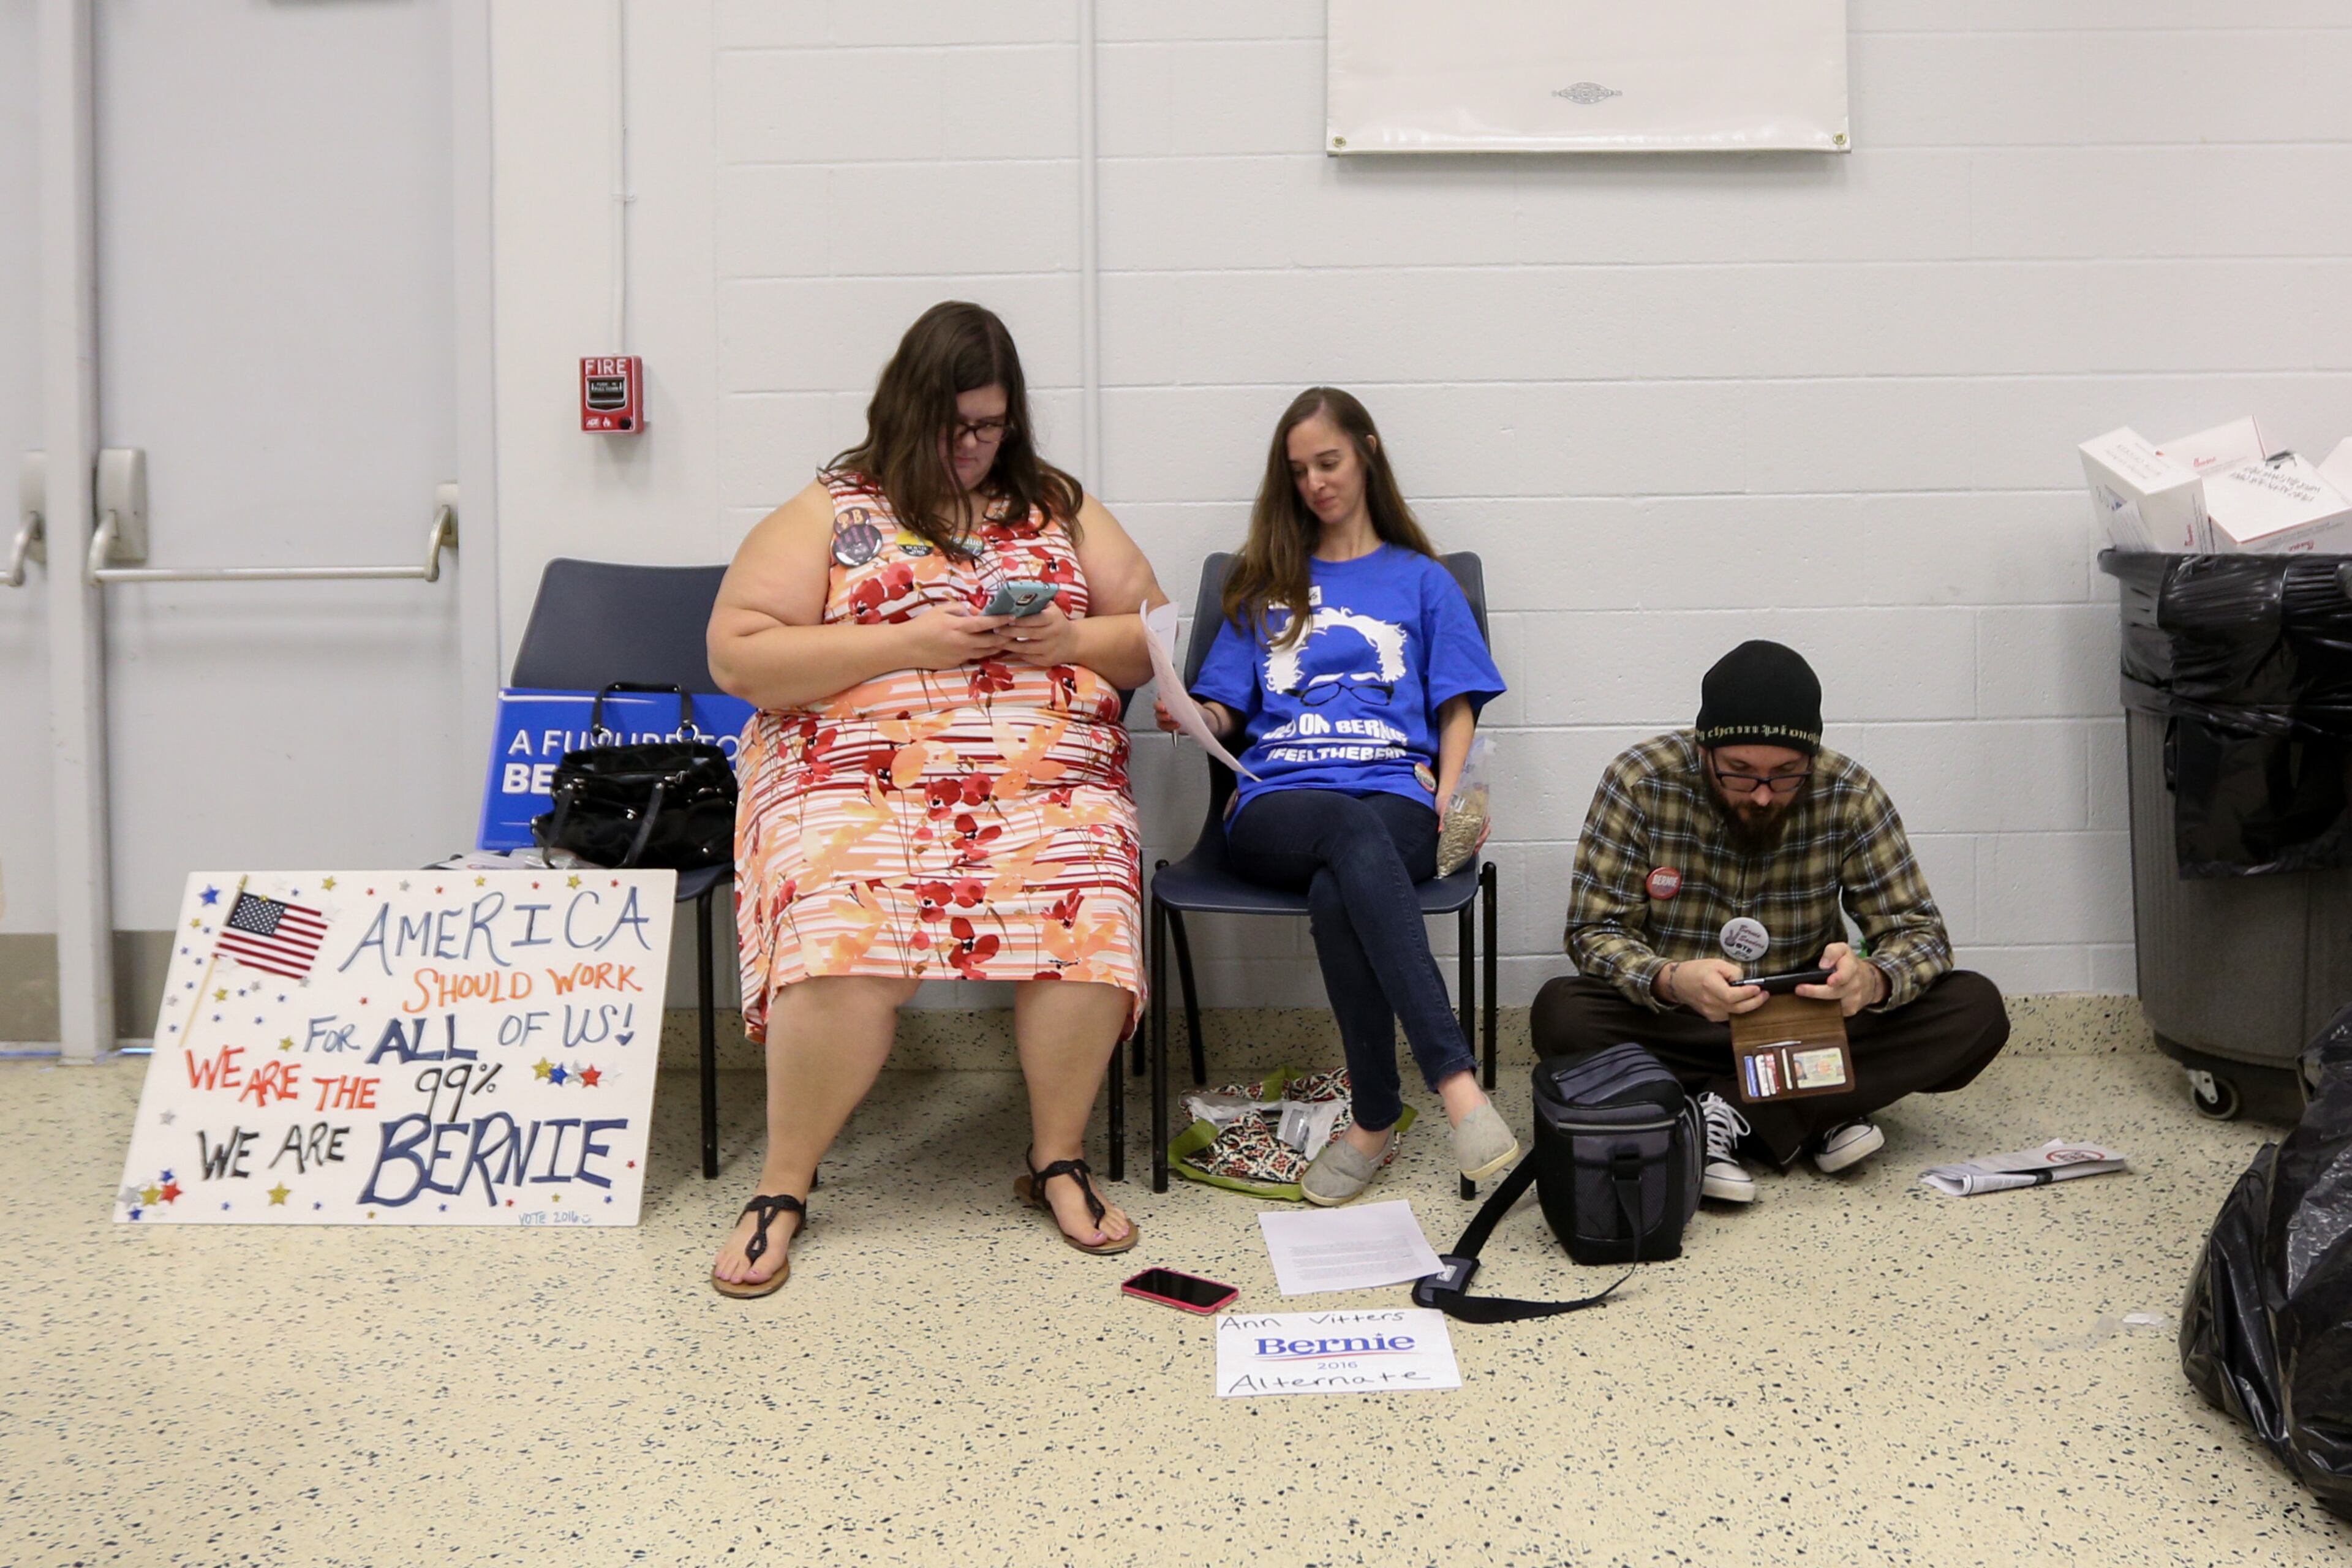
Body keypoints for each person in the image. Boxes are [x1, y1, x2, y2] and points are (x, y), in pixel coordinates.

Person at [706, 301, 1164, 1297]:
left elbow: (1154, 633)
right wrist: (911, 641)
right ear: (907, 412)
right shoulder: (836, 507)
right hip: (854, 778)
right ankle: (783, 1186)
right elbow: (739, 653)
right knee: (839, 905)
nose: (971, 449)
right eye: (954, 428)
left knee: (1085, 881)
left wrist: (1071, 643)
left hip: (1041, 782)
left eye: (990, 427)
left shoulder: (1056, 504)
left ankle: (1057, 1158)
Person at [1162, 387, 1515, 1206]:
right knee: (1342, 837)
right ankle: (1459, 1088)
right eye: (1300, 471)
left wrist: (1450, 798)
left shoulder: (1423, 583)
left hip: (1399, 799)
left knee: (1341, 880)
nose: (1316, 483)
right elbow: (1227, 709)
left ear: (1367, 452)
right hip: (1277, 807)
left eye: (1329, 462)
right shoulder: (1263, 585)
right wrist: (1193, 713)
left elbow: (1456, 704)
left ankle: (1376, 1118)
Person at [1531, 639, 2010, 1203]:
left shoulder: (1848, 792)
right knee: (1561, 1015)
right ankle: (1820, 1106)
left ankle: (1721, 1112)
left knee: (1976, 1009)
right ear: (1704, 750)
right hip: (1688, 1021)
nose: (1762, 796)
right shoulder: (1641, 781)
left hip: (1808, 1021)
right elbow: (1593, 931)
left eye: (1786, 775)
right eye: (1739, 773)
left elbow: (1921, 936)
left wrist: (1871, 981)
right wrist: (1669, 980)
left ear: (1812, 758)